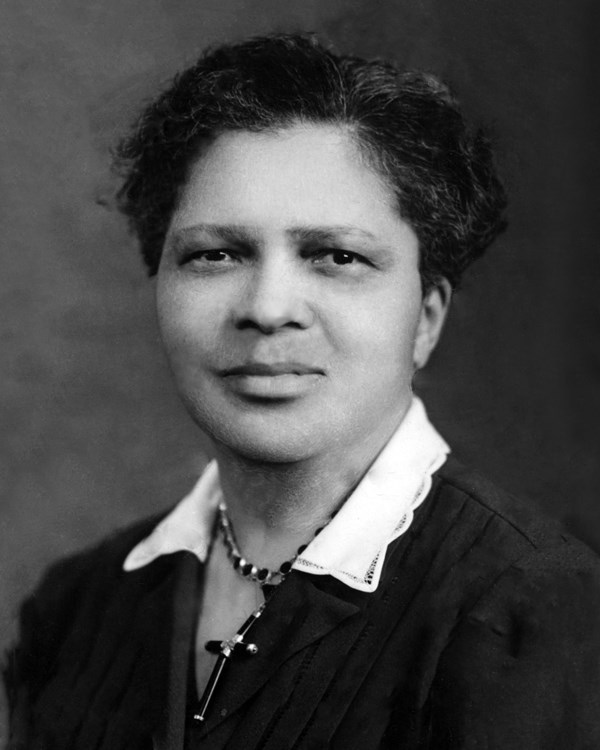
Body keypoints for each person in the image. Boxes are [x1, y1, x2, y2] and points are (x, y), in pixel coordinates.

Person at [4, 32, 600, 750]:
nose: (268, 306)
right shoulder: (76, 607)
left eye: (337, 256)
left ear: (426, 317)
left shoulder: (534, 610)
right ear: (158, 286)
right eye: (215, 253)